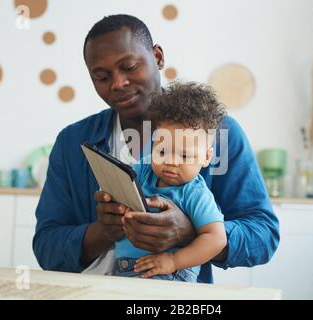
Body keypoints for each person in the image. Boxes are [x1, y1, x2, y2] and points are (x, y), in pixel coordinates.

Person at [33, 14, 279, 284]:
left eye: (129, 66)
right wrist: (102, 231)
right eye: (102, 76)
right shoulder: (72, 142)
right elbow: (46, 246)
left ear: (158, 57)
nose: (117, 83)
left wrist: (192, 232)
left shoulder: (217, 134)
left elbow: (264, 235)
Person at [113, 81, 227, 282]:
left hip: (170, 274)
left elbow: (216, 239)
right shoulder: (141, 171)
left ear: (207, 157)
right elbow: (118, 179)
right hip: (124, 270)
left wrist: (174, 260)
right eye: (162, 151)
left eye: (185, 156)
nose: (171, 162)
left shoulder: (194, 193)